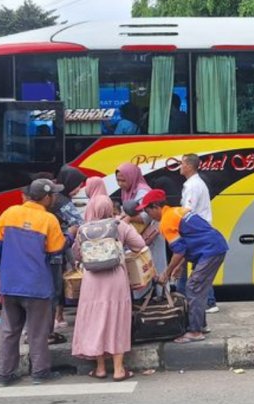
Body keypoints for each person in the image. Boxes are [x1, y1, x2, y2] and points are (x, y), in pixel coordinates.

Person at [0, 178, 71, 386]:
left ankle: (5, 374)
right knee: (37, 331)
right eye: (53, 195)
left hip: (10, 282)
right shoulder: (49, 220)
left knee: (9, 330)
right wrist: (70, 236)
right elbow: (55, 249)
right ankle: (40, 372)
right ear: (47, 197)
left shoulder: (9, 213)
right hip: (36, 284)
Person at [139, 188, 228, 344]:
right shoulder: (177, 211)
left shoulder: (166, 221)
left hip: (210, 251)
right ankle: (200, 325)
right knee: (198, 288)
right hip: (214, 247)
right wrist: (179, 266)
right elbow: (186, 244)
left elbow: (179, 251)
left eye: (147, 211)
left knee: (193, 287)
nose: (148, 215)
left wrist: (166, 273)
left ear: (155, 207)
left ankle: (195, 331)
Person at [72, 195, 146, 381]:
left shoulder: (83, 229)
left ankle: (100, 368)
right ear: (110, 208)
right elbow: (140, 245)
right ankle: (119, 369)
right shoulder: (119, 225)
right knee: (117, 319)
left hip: (92, 281)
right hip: (115, 279)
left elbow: (77, 254)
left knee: (96, 320)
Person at [178, 153, 218, 312]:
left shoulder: (192, 186)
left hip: (196, 231)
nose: (180, 167)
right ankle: (208, 301)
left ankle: (201, 301)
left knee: (194, 267)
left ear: (188, 166)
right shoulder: (196, 183)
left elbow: (188, 211)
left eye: (182, 164)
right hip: (200, 230)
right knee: (200, 268)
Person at [50, 165, 86, 333]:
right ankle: (57, 317)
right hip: (59, 247)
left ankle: (56, 317)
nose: (79, 189)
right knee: (57, 281)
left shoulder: (54, 197)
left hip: (51, 245)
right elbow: (79, 223)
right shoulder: (63, 202)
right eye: (78, 185)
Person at [116, 163, 167, 276]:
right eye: (118, 180)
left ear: (131, 177)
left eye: (123, 180)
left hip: (151, 236)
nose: (120, 184)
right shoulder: (127, 190)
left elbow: (147, 216)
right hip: (140, 237)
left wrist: (128, 218)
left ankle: (163, 293)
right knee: (142, 272)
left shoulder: (142, 191)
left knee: (157, 268)